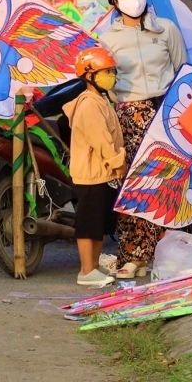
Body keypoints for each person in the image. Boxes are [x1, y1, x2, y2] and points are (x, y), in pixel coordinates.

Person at [98, 0, 187, 279]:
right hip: (128, 116)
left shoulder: (167, 30)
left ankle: (166, 252)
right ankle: (134, 256)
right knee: (133, 186)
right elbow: (104, 82)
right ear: (115, 2)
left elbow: (181, 71)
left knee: (166, 185)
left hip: (165, 113)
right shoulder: (107, 39)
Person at [63, 46, 126, 287]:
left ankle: (94, 266)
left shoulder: (101, 100)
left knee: (101, 223)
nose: (110, 75)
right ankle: (86, 270)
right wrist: (118, 163)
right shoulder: (89, 104)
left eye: (111, 71)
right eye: (105, 71)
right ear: (89, 75)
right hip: (92, 174)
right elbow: (101, 140)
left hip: (103, 173)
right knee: (89, 224)